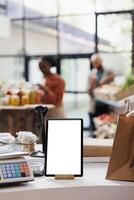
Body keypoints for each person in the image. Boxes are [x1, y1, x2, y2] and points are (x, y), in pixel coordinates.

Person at [88, 54, 114, 134]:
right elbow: (89, 92)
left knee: (105, 131)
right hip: (94, 106)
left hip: (106, 105)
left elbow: (113, 81)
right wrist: (92, 84)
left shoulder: (109, 71)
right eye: (94, 62)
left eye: (97, 61)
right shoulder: (91, 74)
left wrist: (106, 79)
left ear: (101, 61)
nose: (96, 64)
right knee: (94, 132)